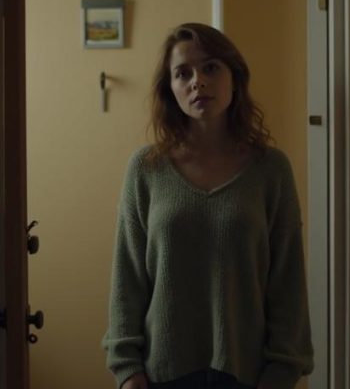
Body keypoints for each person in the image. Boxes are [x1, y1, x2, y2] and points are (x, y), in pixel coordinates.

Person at [103, 22, 313, 389]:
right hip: (161, 374)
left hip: (249, 374)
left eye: (210, 68)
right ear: (170, 89)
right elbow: (128, 275)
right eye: (182, 73)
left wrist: (284, 369)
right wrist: (126, 367)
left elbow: (287, 280)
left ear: (235, 77)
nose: (197, 82)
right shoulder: (146, 169)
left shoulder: (270, 169)